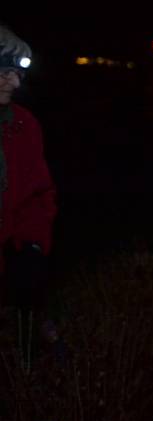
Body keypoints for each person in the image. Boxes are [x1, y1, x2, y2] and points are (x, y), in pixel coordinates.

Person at [0, 24, 57, 364]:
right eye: (5, 73)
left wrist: (32, 246)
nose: (16, 84)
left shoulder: (23, 125)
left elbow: (39, 193)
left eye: (18, 75)